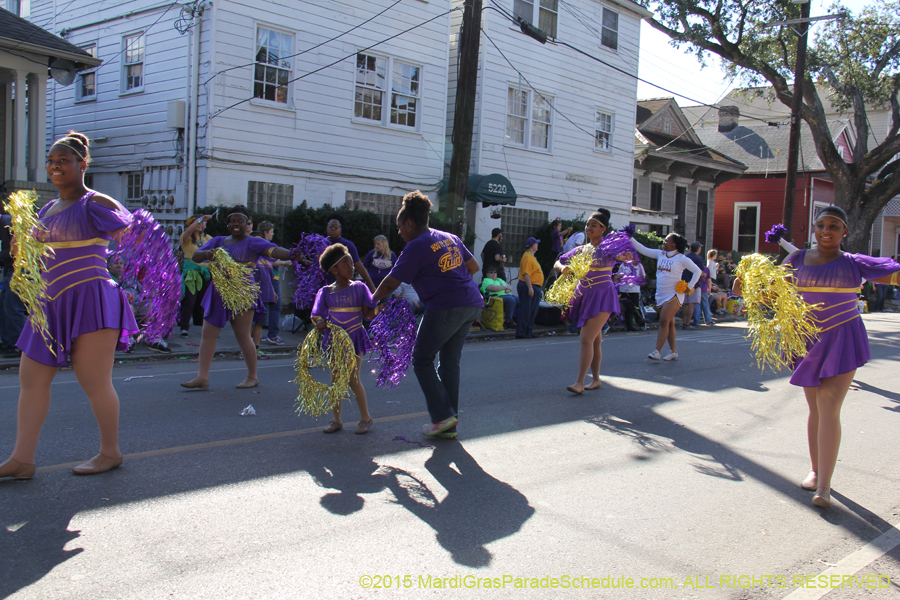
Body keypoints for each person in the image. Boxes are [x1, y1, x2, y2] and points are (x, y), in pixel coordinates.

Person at [736, 206, 899, 508]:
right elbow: (772, 295)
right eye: (821, 225)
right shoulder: (796, 260)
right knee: (815, 407)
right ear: (814, 229)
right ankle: (815, 470)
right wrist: (747, 286)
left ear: (845, 231)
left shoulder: (855, 263)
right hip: (804, 339)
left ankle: (824, 485)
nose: (826, 230)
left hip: (843, 336)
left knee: (828, 404)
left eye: (834, 226)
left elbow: (896, 276)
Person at [0, 132, 140, 480]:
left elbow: (134, 232)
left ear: (83, 164)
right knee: (31, 379)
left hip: (90, 297)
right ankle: (22, 460)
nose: (55, 165)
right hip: (48, 304)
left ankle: (111, 452)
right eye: (51, 160)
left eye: (63, 160)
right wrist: (21, 246)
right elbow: (33, 256)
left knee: (94, 381)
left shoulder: (96, 202)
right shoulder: (47, 209)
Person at [373, 191, 483, 440]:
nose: (399, 233)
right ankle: (449, 424)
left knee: (422, 359)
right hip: (472, 302)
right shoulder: (449, 237)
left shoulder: (416, 246)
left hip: (446, 306)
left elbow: (391, 284)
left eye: (400, 227)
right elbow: (474, 266)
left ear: (409, 223)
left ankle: (443, 418)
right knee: (449, 363)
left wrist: (370, 301)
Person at [180, 206, 294, 390]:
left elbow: (274, 251)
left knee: (242, 335)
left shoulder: (253, 243)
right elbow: (196, 255)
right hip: (218, 292)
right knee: (207, 334)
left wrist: (293, 253)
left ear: (247, 223)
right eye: (233, 221)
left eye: (241, 221)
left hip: (242, 292)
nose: (236, 224)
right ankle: (202, 377)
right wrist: (209, 253)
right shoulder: (218, 241)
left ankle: (252, 376)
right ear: (227, 223)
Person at [554, 210, 623, 394]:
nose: (588, 228)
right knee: (594, 341)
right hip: (584, 296)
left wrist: (625, 255)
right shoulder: (583, 249)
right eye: (587, 225)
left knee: (586, 339)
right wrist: (563, 268)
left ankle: (579, 382)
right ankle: (597, 380)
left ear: (603, 229)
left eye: (593, 225)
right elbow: (558, 261)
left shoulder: (608, 248)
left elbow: (624, 255)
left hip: (603, 296)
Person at [312, 244, 377, 435]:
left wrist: (380, 307)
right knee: (335, 379)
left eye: (351, 264)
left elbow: (368, 314)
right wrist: (320, 322)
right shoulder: (325, 292)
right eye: (346, 264)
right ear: (334, 270)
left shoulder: (360, 287)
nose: (351, 267)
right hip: (334, 339)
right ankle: (336, 420)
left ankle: (365, 418)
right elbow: (316, 314)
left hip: (354, 337)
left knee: (352, 378)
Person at [631, 232, 701, 361]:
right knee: (669, 323)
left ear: (674, 244)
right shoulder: (660, 253)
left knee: (663, 321)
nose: (664, 241)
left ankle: (657, 351)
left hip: (674, 294)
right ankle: (673, 351)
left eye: (667, 240)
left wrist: (690, 287)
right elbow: (643, 249)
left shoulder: (681, 258)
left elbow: (698, 271)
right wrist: (630, 238)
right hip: (660, 294)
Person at [178, 215, 212, 337]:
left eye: (202, 222)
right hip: (192, 273)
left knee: (206, 301)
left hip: (206, 272)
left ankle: (207, 327)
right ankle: (184, 327)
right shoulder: (185, 238)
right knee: (190, 300)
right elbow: (188, 232)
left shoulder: (207, 238)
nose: (199, 224)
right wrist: (200, 219)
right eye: (196, 222)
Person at [324, 214, 376, 291]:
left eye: (336, 227)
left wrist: (372, 287)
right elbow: (316, 265)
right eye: (330, 226)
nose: (333, 229)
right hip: (323, 287)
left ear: (340, 229)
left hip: (341, 288)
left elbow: (359, 267)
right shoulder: (321, 243)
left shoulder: (348, 245)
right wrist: (303, 260)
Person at [259, 221, 291, 346]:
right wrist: (284, 263)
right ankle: (272, 335)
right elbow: (268, 261)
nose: (272, 234)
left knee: (261, 306)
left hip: (264, 277)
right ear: (265, 232)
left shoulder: (257, 244)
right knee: (276, 306)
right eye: (271, 231)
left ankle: (257, 333)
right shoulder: (267, 245)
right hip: (272, 278)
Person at [1, 213, 26, 357]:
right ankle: (8, 341)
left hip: (21, 268)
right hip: (10, 267)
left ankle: (18, 344)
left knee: (11, 305)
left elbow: (17, 251)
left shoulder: (9, 223)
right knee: (4, 303)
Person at [516, 237, 544, 339]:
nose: (537, 245)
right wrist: (530, 288)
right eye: (536, 244)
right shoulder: (528, 257)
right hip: (528, 285)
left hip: (533, 286)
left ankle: (528, 331)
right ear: (533, 246)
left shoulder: (531, 257)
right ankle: (522, 332)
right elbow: (526, 274)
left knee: (532, 311)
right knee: (526, 310)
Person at [616, 259, 646, 331]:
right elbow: (618, 276)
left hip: (634, 289)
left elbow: (643, 276)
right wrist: (622, 277)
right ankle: (629, 324)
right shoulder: (623, 265)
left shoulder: (638, 265)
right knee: (627, 307)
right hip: (624, 289)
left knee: (636, 306)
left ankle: (641, 323)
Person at [682, 241, 705, 329]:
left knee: (686, 303)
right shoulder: (698, 259)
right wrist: (703, 275)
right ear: (698, 249)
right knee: (692, 304)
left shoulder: (685, 257)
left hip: (684, 282)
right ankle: (687, 323)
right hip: (694, 284)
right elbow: (700, 272)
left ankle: (684, 322)